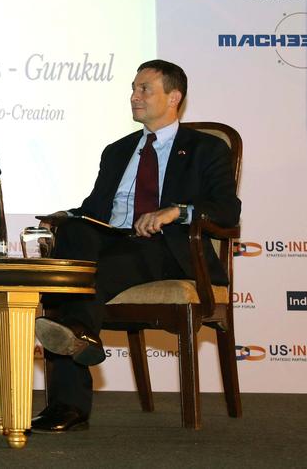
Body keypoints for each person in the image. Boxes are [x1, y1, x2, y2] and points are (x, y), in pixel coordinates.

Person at [32, 59, 241, 433]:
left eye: (144, 89)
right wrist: (63, 218)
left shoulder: (206, 148)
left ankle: (69, 401)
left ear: (174, 97)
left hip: (167, 248)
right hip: (113, 242)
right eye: (133, 88)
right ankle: (79, 334)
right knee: (74, 241)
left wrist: (175, 212)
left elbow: (227, 210)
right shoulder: (117, 150)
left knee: (79, 282)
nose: (134, 96)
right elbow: (94, 209)